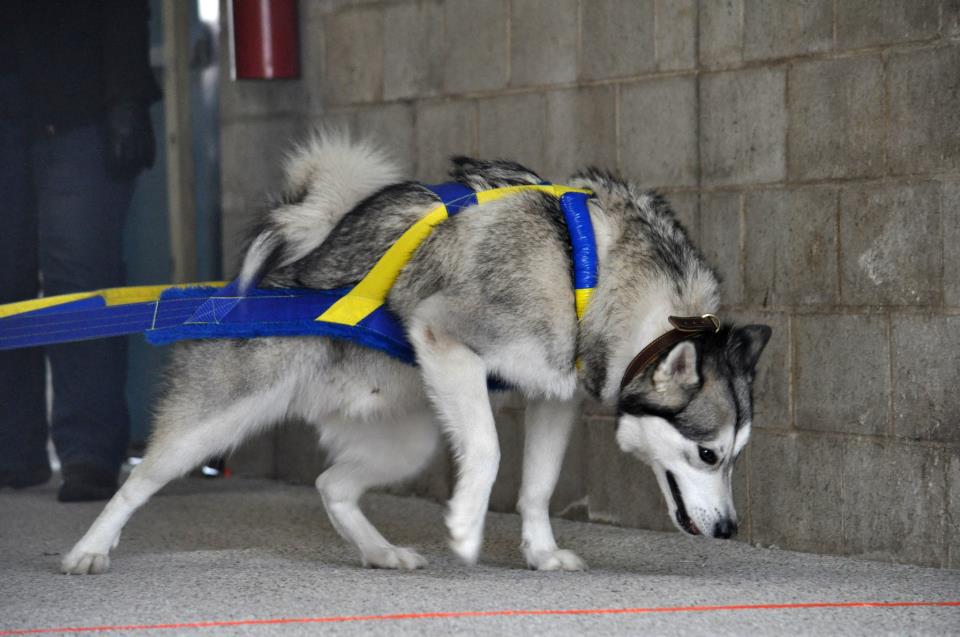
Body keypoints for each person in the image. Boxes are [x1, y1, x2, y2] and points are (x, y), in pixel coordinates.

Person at [0, 0, 161, 501]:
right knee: (5, 282)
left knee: (81, 284)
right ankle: (12, 453)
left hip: (83, 105)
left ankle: (88, 452)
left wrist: (127, 100)